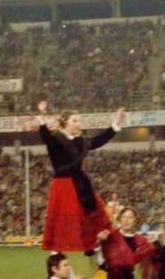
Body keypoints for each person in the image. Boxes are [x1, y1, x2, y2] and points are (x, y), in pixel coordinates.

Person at [37, 100, 126, 252]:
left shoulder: (80, 142)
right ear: (65, 123)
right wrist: (43, 116)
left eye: (79, 120)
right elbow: (45, 136)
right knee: (64, 220)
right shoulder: (55, 138)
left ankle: (91, 245)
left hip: (80, 183)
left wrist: (115, 125)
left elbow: (98, 141)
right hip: (63, 184)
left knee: (93, 213)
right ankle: (57, 254)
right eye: (75, 120)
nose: (79, 123)